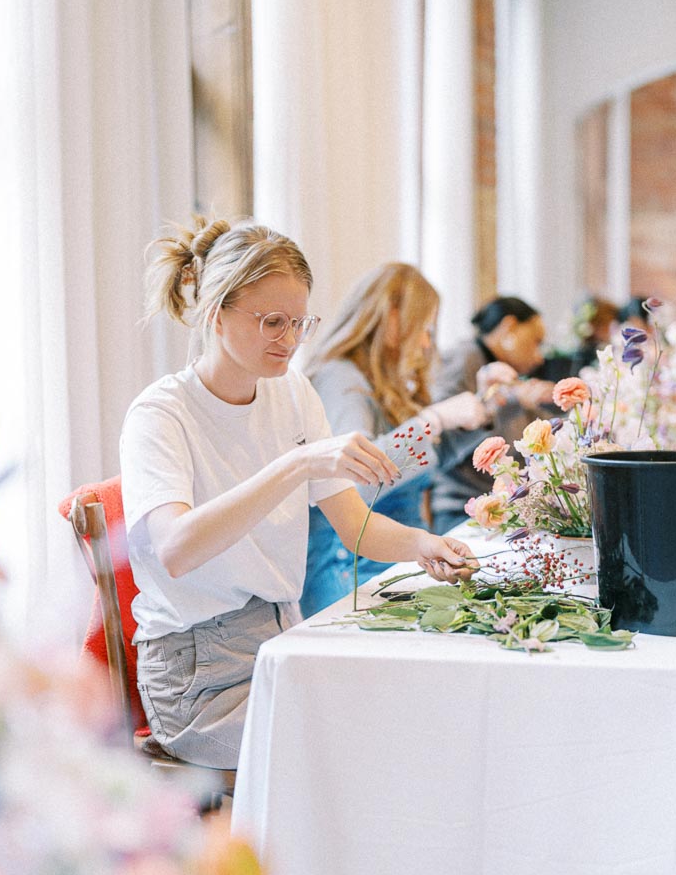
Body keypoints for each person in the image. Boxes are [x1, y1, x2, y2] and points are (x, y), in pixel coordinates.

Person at [119, 217, 478, 770]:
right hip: (195, 674)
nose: (288, 341)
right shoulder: (161, 414)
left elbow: (356, 526)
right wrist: (295, 465)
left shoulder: (293, 392)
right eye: (270, 322)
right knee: (362, 749)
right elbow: (176, 548)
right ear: (216, 312)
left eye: (298, 323)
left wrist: (423, 544)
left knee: (414, 711)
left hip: (281, 637)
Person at [301, 263, 488, 616]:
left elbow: (413, 467)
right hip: (353, 575)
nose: (426, 342)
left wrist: (483, 409)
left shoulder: (374, 380)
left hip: (391, 563)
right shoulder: (340, 379)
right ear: (391, 317)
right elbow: (358, 481)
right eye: (424, 328)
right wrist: (433, 421)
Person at [428, 295, 555, 534]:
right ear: (509, 327)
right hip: (463, 509)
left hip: (496, 503)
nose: (539, 356)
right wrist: (505, 401)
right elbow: (439, 441)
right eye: (536, 341)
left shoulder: (499, 367)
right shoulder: (464, 359)